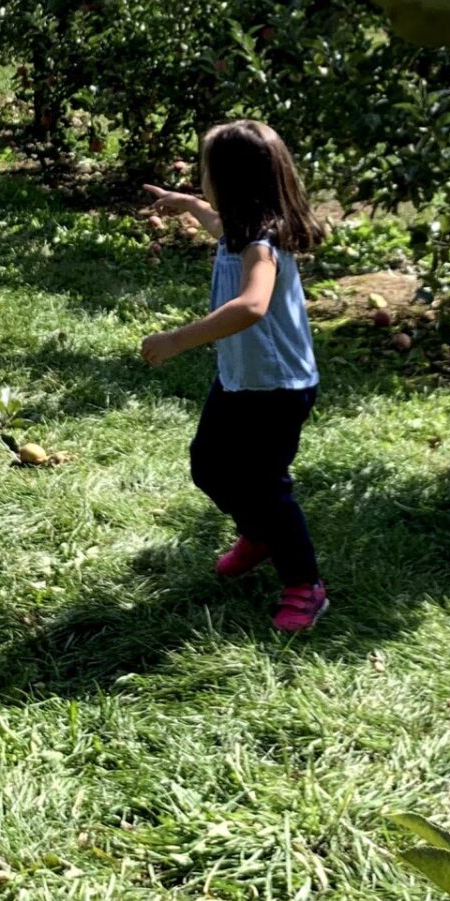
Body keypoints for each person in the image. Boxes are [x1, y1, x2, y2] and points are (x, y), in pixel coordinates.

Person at [140, 119, 327, 635]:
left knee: (266, 484)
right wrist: (188, 206)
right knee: (210, 466)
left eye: (205, 172)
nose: (202, 179)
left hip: (279, 388)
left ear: (230, 180)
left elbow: (252, 305)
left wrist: (178, 339)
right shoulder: (242, 230)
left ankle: (304, 584)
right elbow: (217, 225)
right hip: (241, 379)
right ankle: (260, 534)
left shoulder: (262, 246)